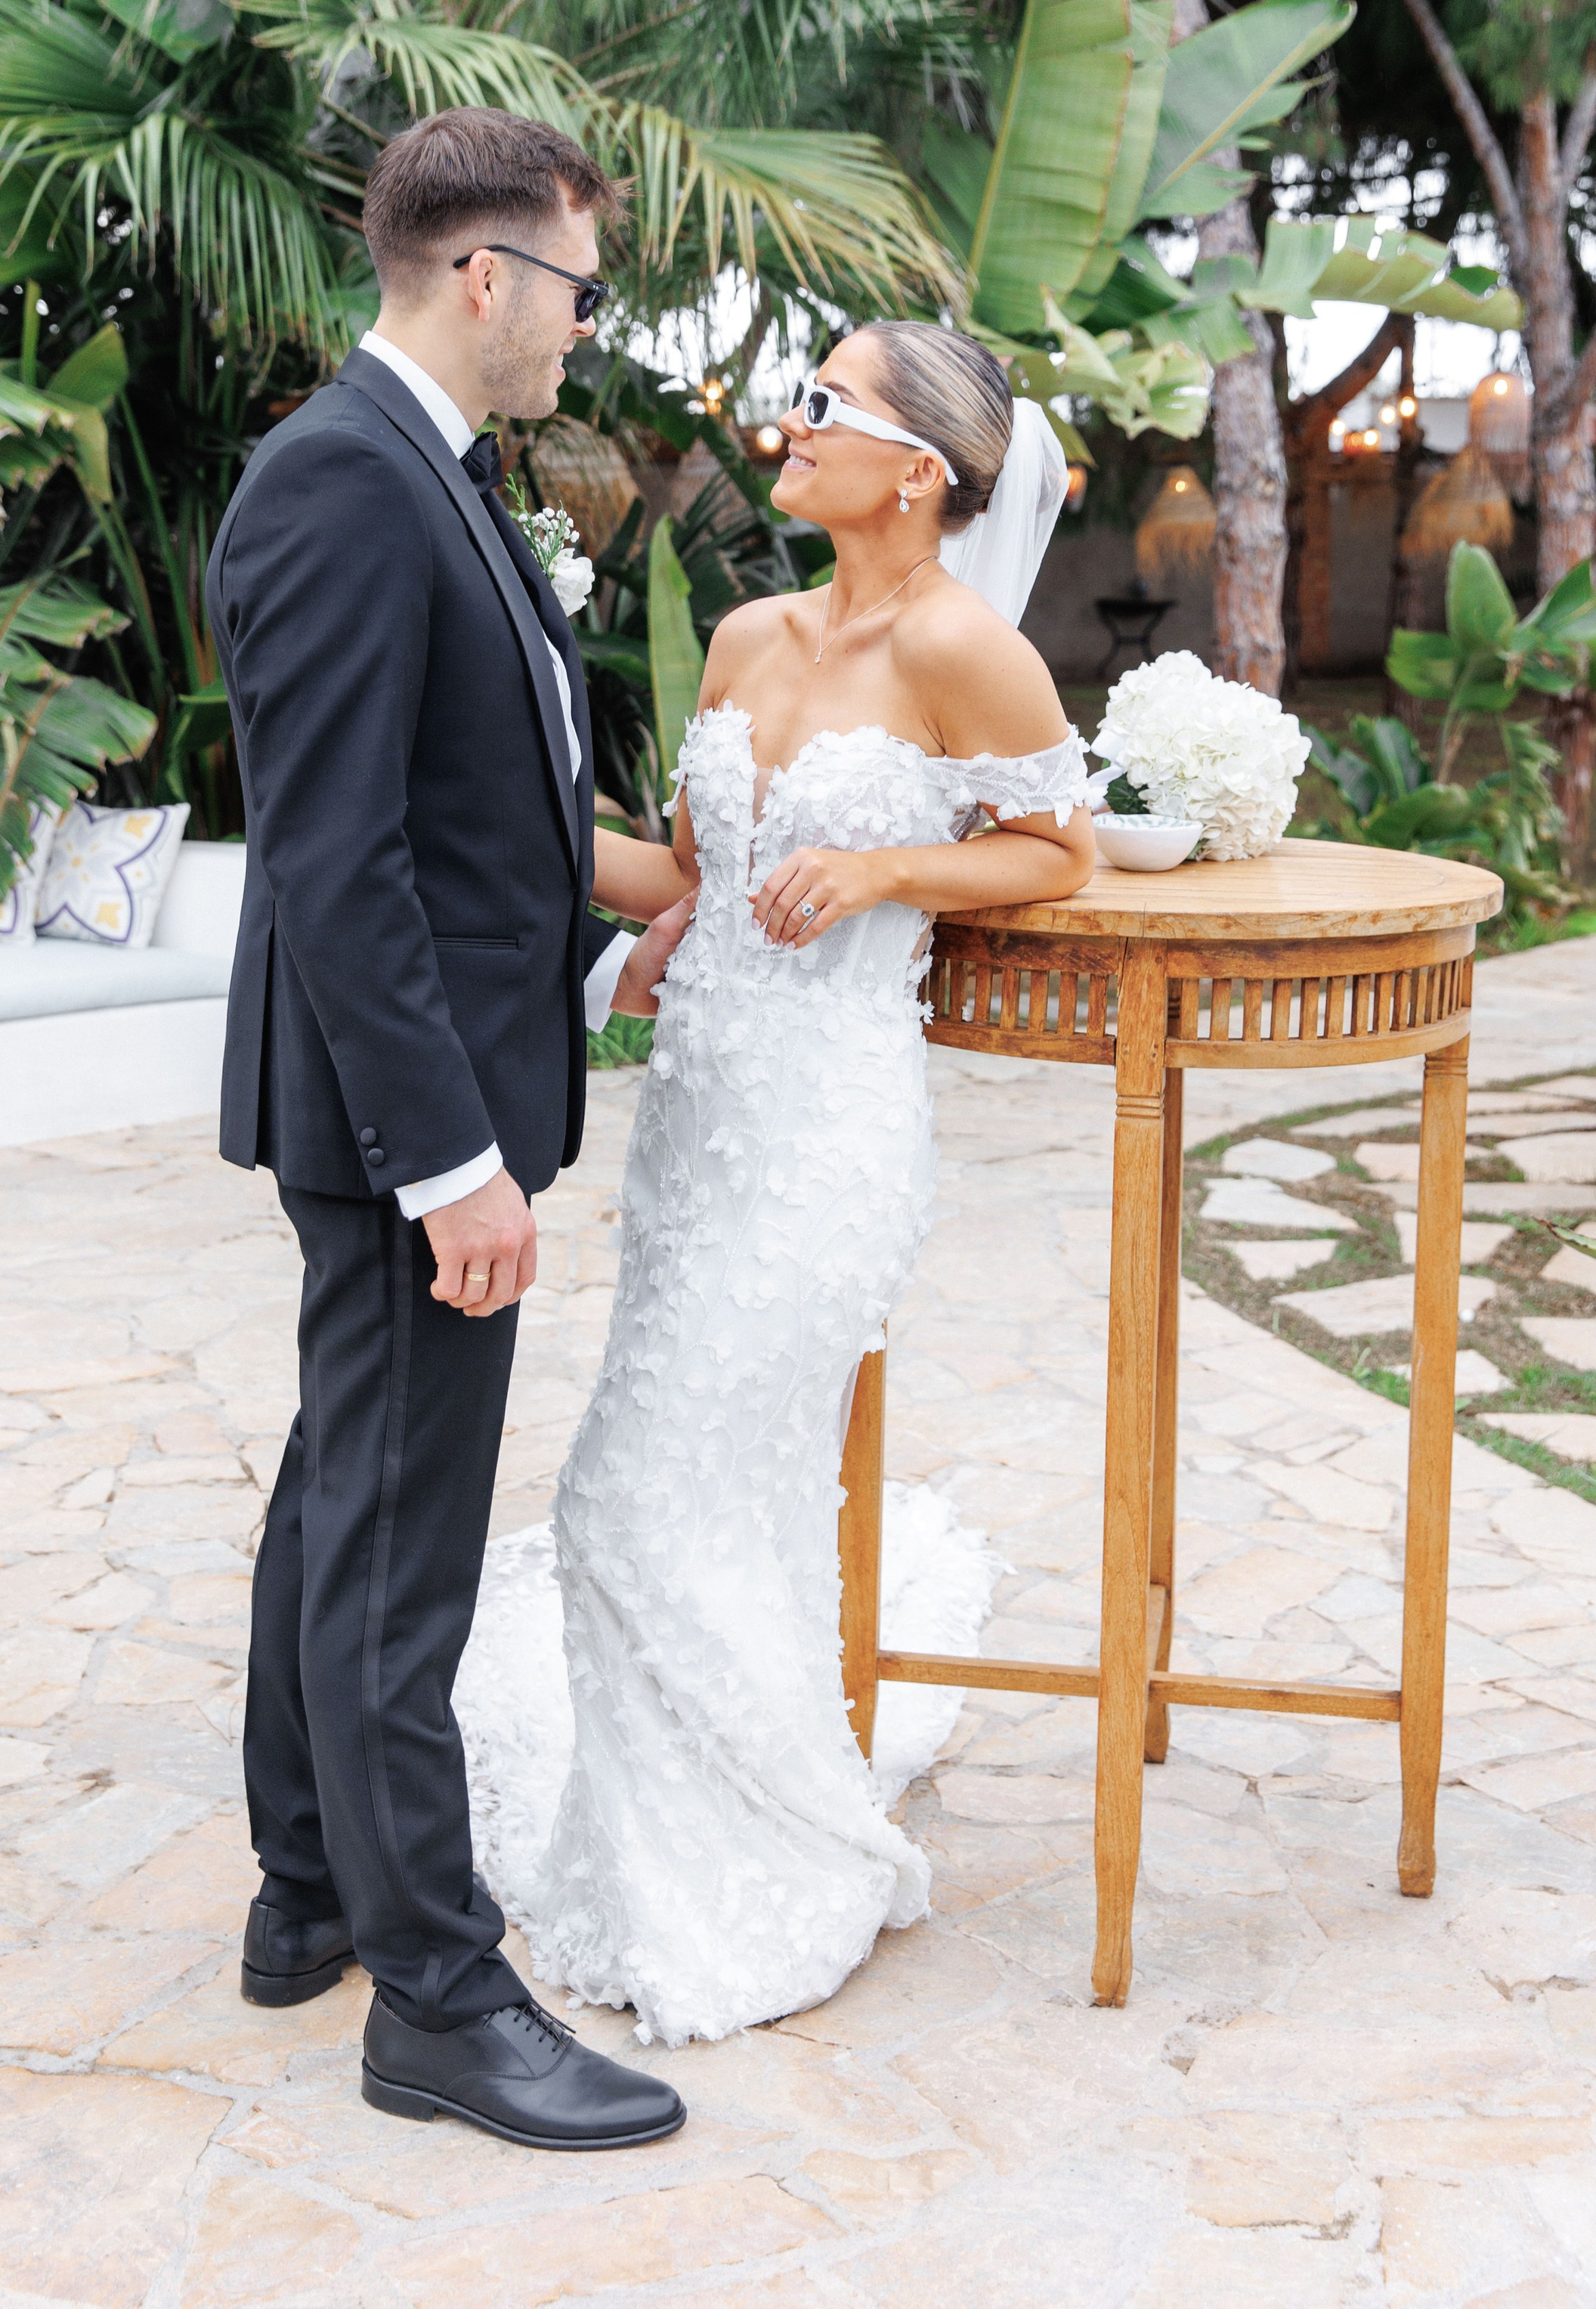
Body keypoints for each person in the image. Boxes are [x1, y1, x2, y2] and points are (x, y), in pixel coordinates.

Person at [457, 320, 1097, 2045]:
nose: (786, 423)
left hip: (825, 1138)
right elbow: (686, 866)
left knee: (633, 1501)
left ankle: (775, 1859)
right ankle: (660, 1848)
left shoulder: (966, 648)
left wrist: (886, 869)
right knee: (697, 1497)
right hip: (698, 1126)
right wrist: (491, 819)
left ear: (920, 471)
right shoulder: (747, 635)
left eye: (825, 405)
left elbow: (1055, 849)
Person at [206, 107, 694, 2151]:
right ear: (485, 275)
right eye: (579, 288)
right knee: (401, 1550)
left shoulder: (433, 472)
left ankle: (309, 1887)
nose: (586, 327)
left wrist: (590, 964)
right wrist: (451, 1165)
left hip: (421, 1095)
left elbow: (470, 824)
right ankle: (436, 1996)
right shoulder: (345, 479)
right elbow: (336, 858)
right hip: (401, 1132)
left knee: (349, 1486)